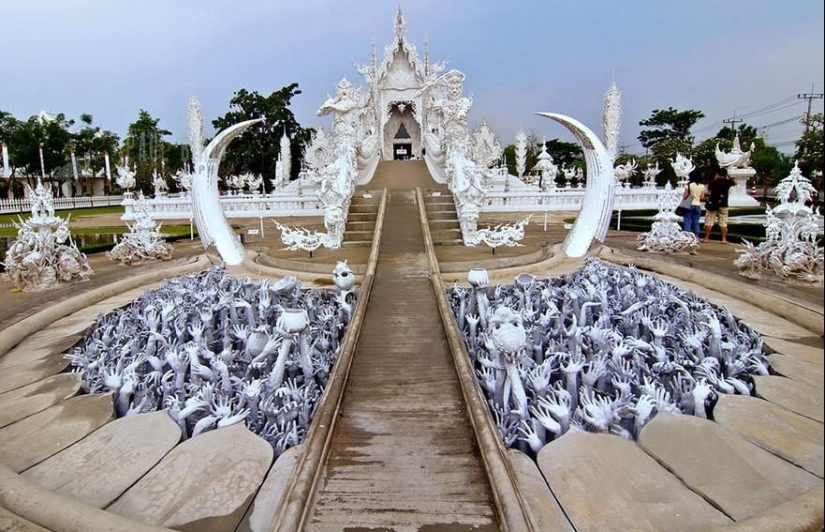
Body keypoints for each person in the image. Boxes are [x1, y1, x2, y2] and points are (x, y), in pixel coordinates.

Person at [703, 167, 736, 243]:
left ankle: (706, 238)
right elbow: (735, 182)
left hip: (713, 203)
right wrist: (728, 176)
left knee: (709, 221)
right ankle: (724, 239)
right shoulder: (727, 182)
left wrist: (715, 177)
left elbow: (708, 191)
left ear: (718, 173)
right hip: (724, 203)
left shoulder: (713, 182)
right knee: (723, 222)